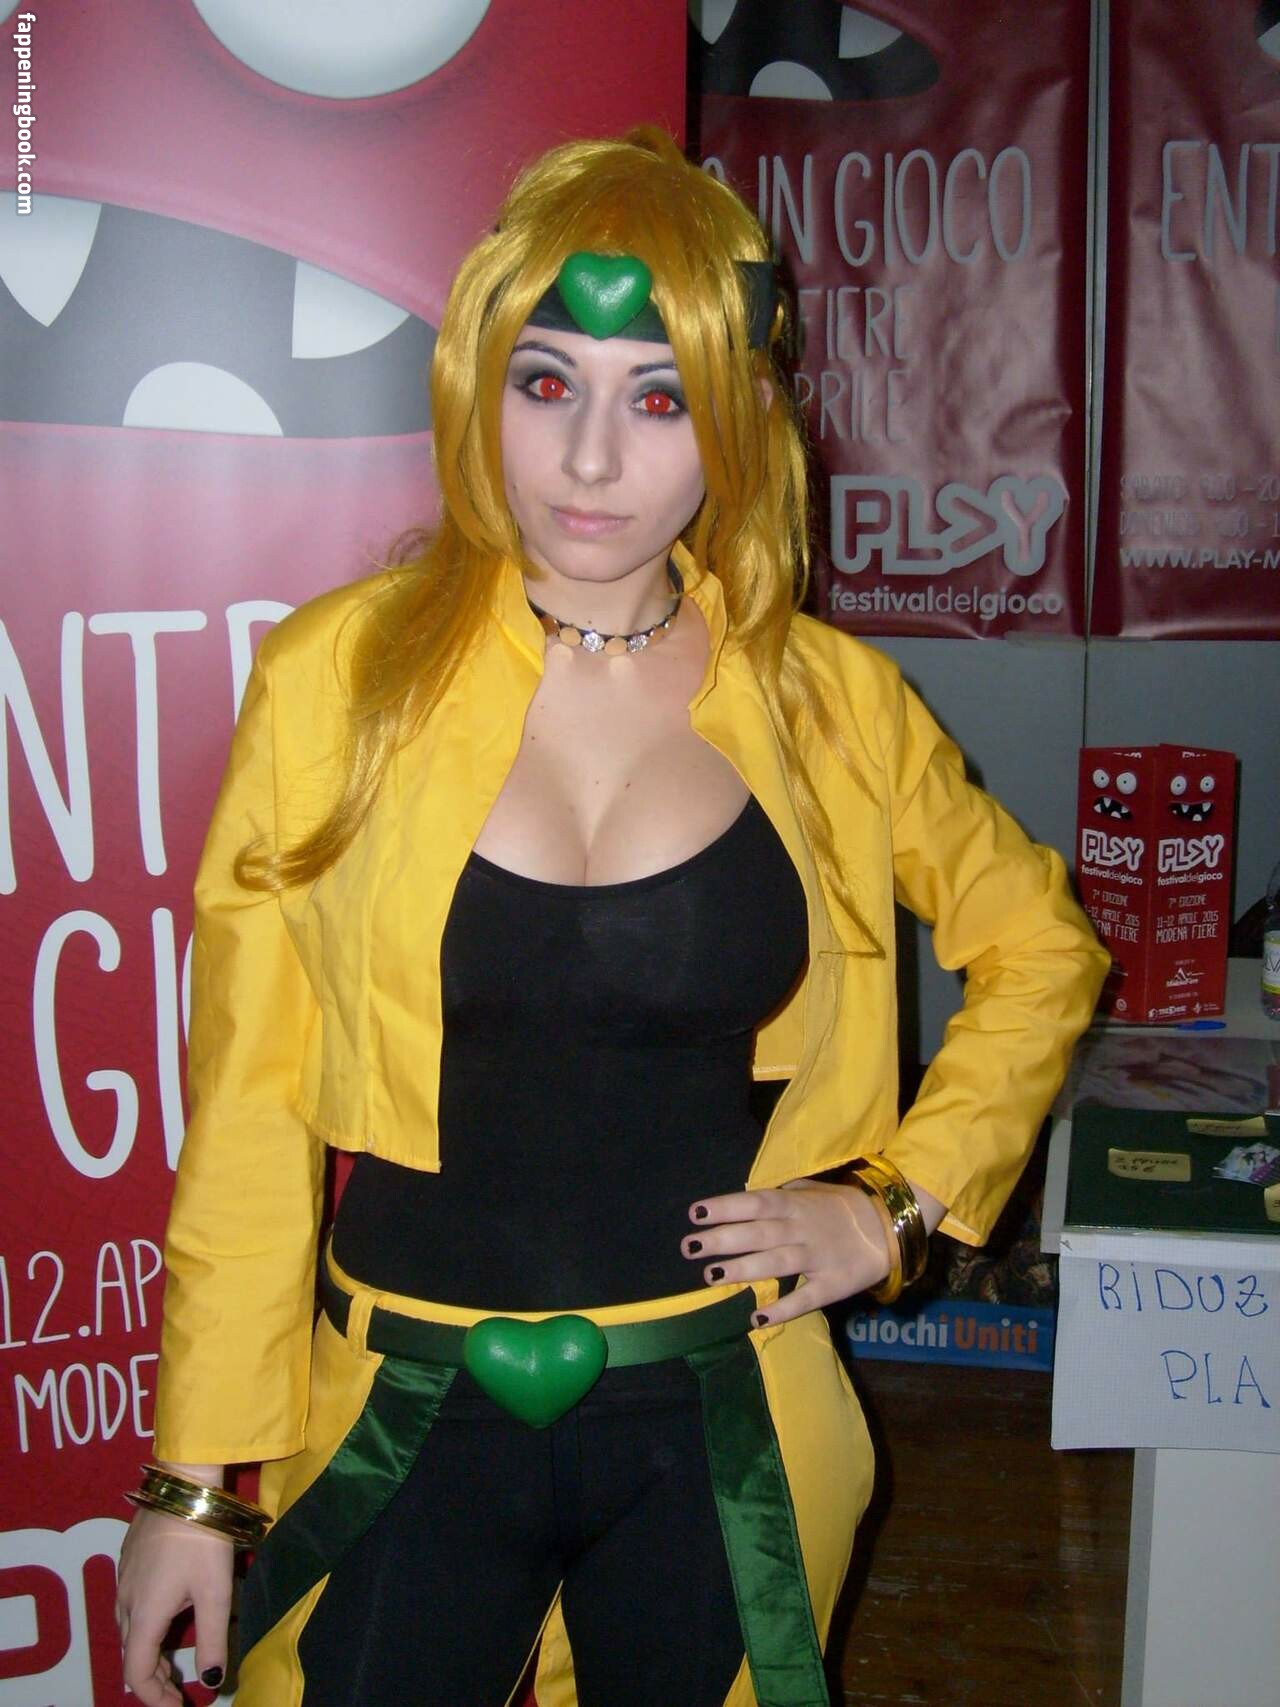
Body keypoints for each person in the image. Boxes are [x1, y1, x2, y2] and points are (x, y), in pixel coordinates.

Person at [115, 128, 1108, 1707]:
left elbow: (1043, 945)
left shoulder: (831, 707)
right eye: (546, 384)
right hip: (397, 1413)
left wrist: (905, 1207)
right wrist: (191, 1482)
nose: (590, 461)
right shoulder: (334, 687)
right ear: (477, 390)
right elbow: (246, 1106)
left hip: (728, 1418)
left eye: (658, 399)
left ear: (739, 416)